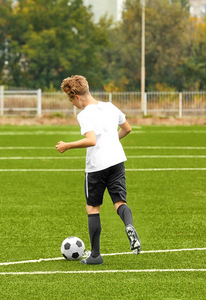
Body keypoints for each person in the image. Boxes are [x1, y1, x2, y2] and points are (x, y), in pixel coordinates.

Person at [56, 75, 141, 265]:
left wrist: (67, 145)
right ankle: (129, 225)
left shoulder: (85, 114)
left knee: (93, 208)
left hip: (96, 167)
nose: (73, 104)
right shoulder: (110, 106)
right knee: (119, 202)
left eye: (71, 100)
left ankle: (95, 255)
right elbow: (127, 129)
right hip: (117, 160)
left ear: (76, 96)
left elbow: (91, 140)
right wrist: (111, 142)